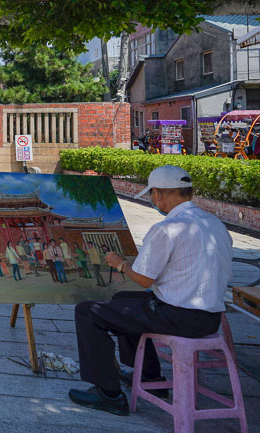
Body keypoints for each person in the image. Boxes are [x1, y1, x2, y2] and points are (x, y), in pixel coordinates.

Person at [68, 165, 233, 416]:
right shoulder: (214, 223)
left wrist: (121, 264)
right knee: (123, 300)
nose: (153, 200)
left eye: (152, 195)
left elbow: (144, 279)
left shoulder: (167, 228)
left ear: (158, 193)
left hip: (178, 315)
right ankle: (150, 377)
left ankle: (108, 393)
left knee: (87, 312)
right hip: (210, 318)